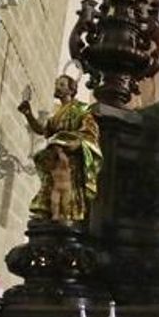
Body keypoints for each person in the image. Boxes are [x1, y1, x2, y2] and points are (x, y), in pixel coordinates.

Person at [18, 74, 102, 222]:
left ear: (71, 89)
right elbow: (43, 130)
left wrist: (74, 144)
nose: (57, 87)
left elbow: (90, 132)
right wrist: (28, 114)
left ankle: (68, 215)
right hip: (54, 157)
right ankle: (48, 213)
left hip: (70, 158)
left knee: (67, 189)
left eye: (62, 85)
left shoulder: (81, 109)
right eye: (57, 84)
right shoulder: (57, 115)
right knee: (50, 187)